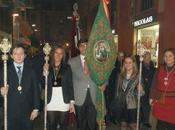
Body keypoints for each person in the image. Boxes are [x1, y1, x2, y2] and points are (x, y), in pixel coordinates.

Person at [0, 43, 40, 130]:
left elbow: (36, 90)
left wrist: (36, 109)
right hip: (11, 111)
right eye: (15, 53)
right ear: (11, 56)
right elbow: (2, 88)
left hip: (27, 111)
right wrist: (1, 92)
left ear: (25, 55)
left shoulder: (31, 71)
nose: (18, 56)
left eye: (21, 53)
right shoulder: (5, 70)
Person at [68, 39, 105, 130]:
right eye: (81, 45)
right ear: (78, 48)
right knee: (81, 124)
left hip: (93, 96)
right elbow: (67, 81)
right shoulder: (71, 62)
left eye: (86, 45)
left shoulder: (97, 61)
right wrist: (70, 100)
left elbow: (104, 74)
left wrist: (104, 83)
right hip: (78, 97)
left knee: (92, 124)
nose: (84, 47)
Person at [43, 45, 75, 130]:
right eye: (56, 53)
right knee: (52, 125)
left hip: (63, 100)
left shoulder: (67, 68)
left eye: (61, 53)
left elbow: (70, 85)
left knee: (63, 125)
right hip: (51, 100)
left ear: (63, 56)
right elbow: (43, 84)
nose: (58, 55)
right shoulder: (47, 66)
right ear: (53, 54)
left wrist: (72, 102)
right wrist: (44, 73)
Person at [114, 55, 144, 130]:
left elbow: (142, 94)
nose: (127, 64)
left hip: (133, 105)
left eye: (130, 62)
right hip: (122, 105)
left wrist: (140, 90)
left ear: (134, 63)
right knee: (123, 125)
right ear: (123, 64)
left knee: (133, 126)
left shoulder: (138, 76)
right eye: (126, 62)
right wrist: (117, 103)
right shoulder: (120, 75)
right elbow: (117, 91)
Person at [150, 48, 175, 130]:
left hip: (173, 104)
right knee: (160, 125)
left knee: (171, 126)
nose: (167, 58)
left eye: (170, 56)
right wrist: (151, 97)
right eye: (165, 56)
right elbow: (153, 84)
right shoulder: (159, 68)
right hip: (160, 101)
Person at [140, 52, 155, 128]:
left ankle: (147, 120)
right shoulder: (140, 67)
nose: (148, 59)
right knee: (144, 105)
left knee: (149, 106)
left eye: (149, 57)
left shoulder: (152, 67)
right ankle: (145, 121)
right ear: (143, 58)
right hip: (144, 89)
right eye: (146, 57)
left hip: (151, 89)